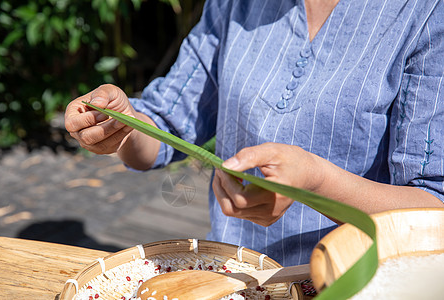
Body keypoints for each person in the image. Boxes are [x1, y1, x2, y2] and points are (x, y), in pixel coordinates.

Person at [65, 0, 444, 267]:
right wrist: (122, 124)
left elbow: (433, 208)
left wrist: (315, 182)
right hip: (233, 275)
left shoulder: (425, 13)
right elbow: (164, 124)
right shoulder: (234, 4)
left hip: (349, 280)